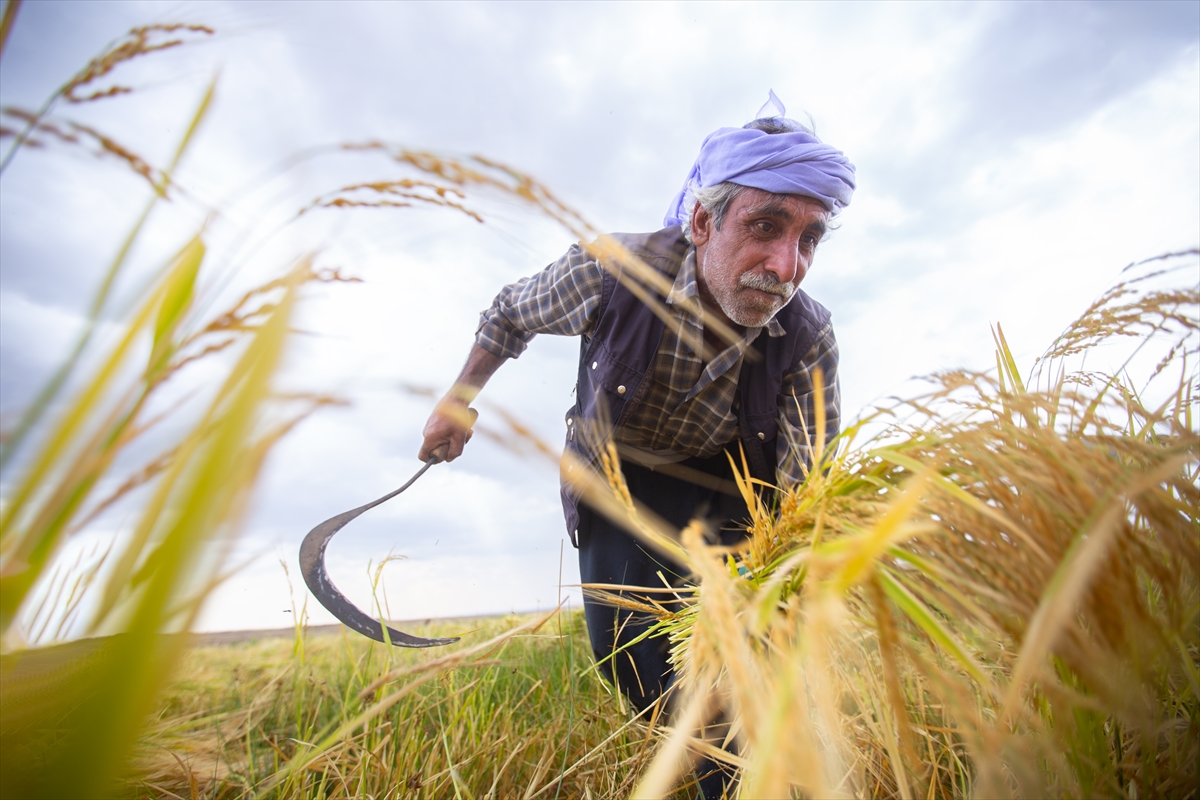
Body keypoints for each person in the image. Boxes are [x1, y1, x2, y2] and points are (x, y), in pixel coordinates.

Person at [419, 106, 855, 798]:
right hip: (622, 482)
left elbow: (805, 489)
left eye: (810, 239)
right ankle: (705, 753)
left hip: (733, 487)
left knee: (744, 659)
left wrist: (795, 588)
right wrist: (456, 403)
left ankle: (740, 775)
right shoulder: (612, 273)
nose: (785, 266)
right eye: (765, 227)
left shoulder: (808, 338)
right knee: (629, 654)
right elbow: (508, 315)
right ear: (704, 223)